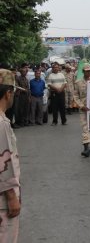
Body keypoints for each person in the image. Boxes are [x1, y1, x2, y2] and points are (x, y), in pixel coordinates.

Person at [0, 69, 21, 243]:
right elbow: (3, 162)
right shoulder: (1, 123)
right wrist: (12, 197)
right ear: (8, 93)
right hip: (2, 201)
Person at [74, 63, 90, 158]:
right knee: (85, 127)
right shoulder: (78, 82)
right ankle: (86, 148)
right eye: (87, 71)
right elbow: (76, 96)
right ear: (83, 72)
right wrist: (81, 105)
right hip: (83, 109)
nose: (89, 72)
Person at [46, 62, 67, 126]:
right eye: (54, 67)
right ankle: (55, 121)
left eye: (57, 67)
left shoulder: (61, 74)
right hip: (54, 93)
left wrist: (60, 89)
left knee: (62, 107)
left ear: (59, 68)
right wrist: (56, 89)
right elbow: (49, 84)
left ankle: (64, 121)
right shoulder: (50, 75)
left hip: (61, 92)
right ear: (52, 68)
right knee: (54, 108)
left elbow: (65, 83)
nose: (55, 68)